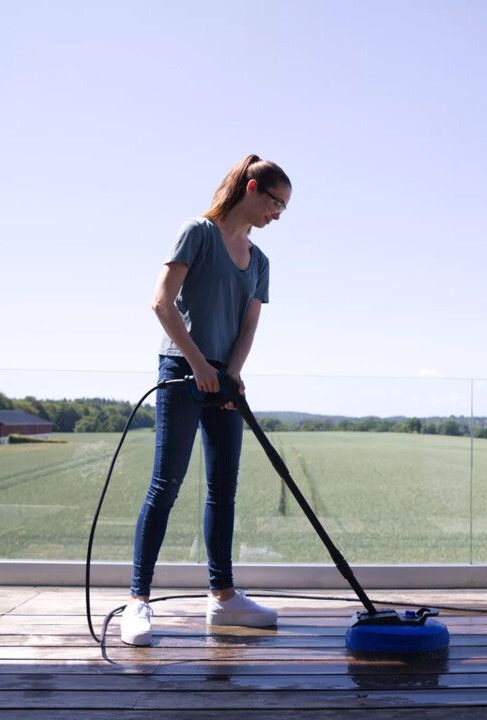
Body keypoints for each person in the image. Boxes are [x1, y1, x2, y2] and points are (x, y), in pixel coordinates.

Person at [120, 154, 292, 646]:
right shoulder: (197, 232)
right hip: (182, 370)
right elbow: (161, 301)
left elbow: (249, 325)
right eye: (276, 203)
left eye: (283, 208)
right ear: (252, 188)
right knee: (165, 484)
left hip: (224, 379)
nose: (277, 215)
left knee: (223, 489)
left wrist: (231, 374)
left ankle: (224, 598)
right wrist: (198, 365)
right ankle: (138, 601)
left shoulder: (259, 260)